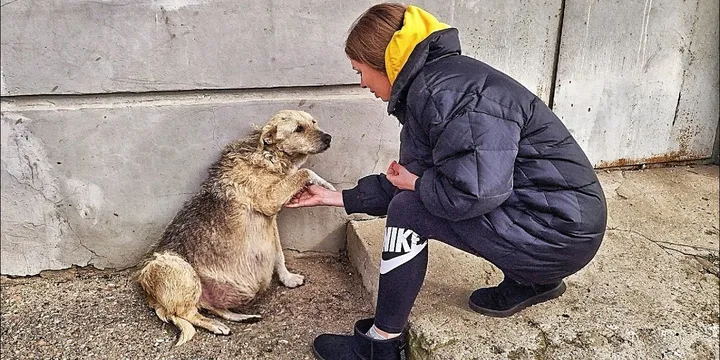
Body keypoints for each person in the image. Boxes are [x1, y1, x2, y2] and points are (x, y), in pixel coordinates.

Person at [287, 3, 607, 359]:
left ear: (387, 63)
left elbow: (474, 191)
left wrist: (417, 186)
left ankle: (380, 345)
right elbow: (414, 178)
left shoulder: (444, 94)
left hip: (558, 235)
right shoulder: (439, 83)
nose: (362, 83)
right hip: (563, 225)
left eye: (360, 71)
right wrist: (336, 198)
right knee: (413, 196)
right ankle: (534, 280)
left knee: (409, 210)